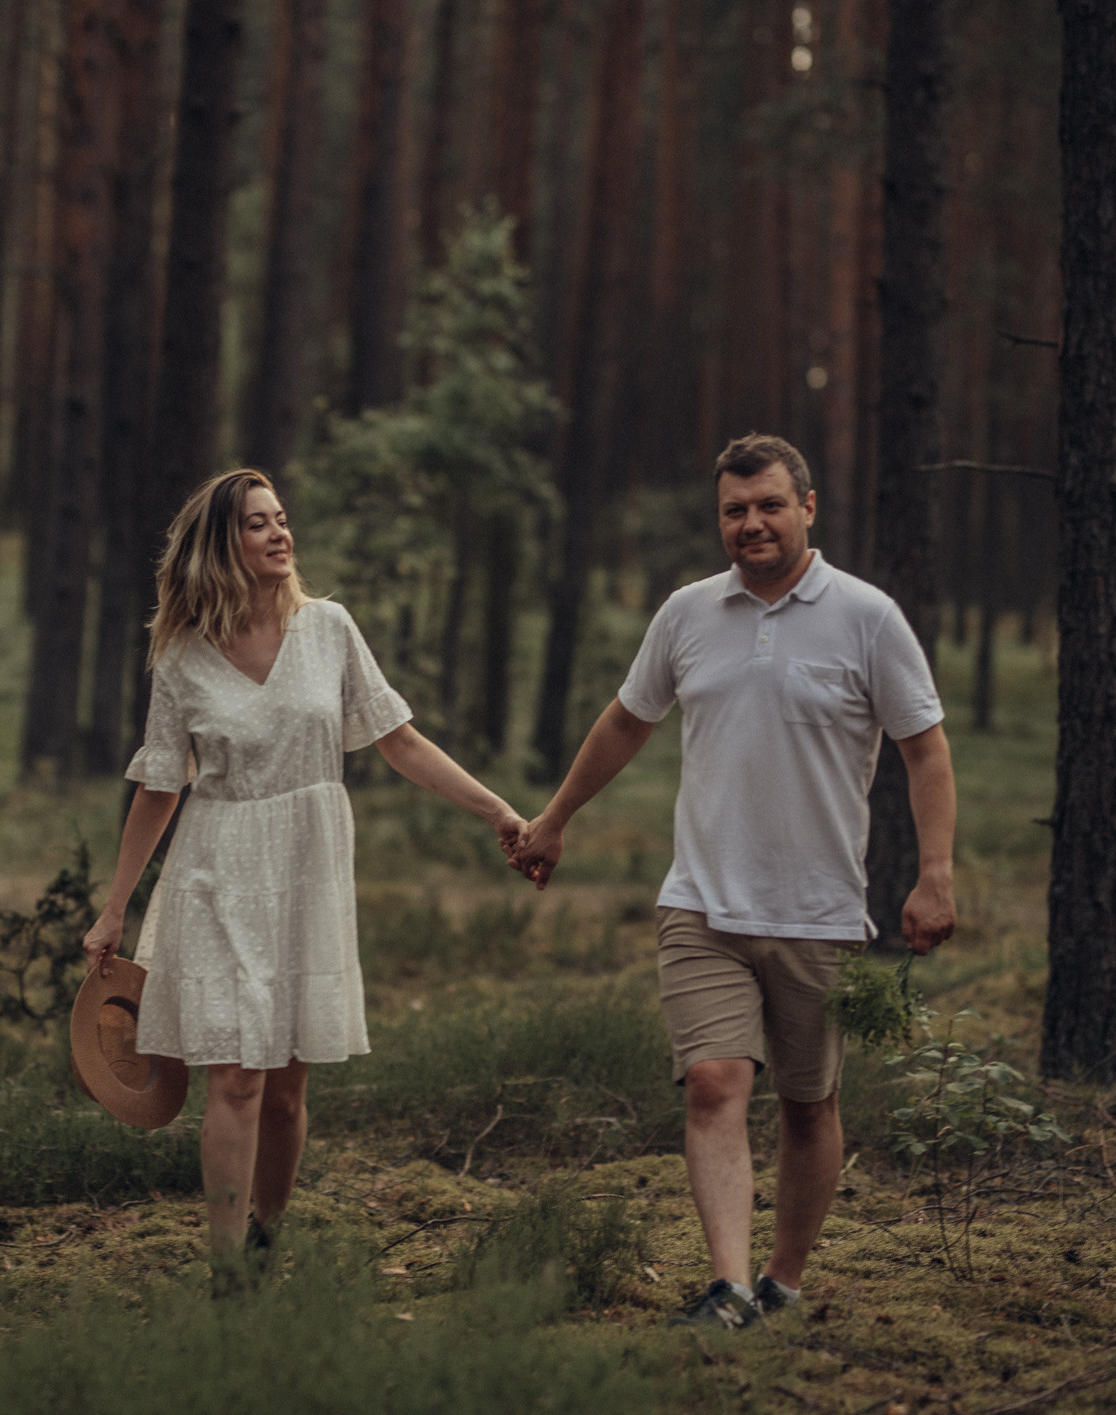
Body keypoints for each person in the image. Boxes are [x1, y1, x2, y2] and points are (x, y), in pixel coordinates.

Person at [509, 432, 957, 1329]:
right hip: (702, 901)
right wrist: (554, 817)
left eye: (767, 505)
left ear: (807, 508)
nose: (750, 523)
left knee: (807, 1101)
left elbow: (924, 747)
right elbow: (626, 723)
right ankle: (727, 1286)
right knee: (714, 1082)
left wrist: (935, 872)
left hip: (820, 909)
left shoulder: (867, 617)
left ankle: (782, 1280)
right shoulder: (685, 614)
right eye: (733, 510)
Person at [81, 468, 527, 1289]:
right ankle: (226, 1277)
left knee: (285, 1089)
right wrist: (115, 910)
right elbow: (158, 785)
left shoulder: (329, 629)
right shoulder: (180, 657)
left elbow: (399, 740)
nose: (280, 533)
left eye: (282, 518)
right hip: (216, 865)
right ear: (224, 544)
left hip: (306, 867)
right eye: (258, 523)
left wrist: (497, 810)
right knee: (239, 1074)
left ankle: (265, 1238)